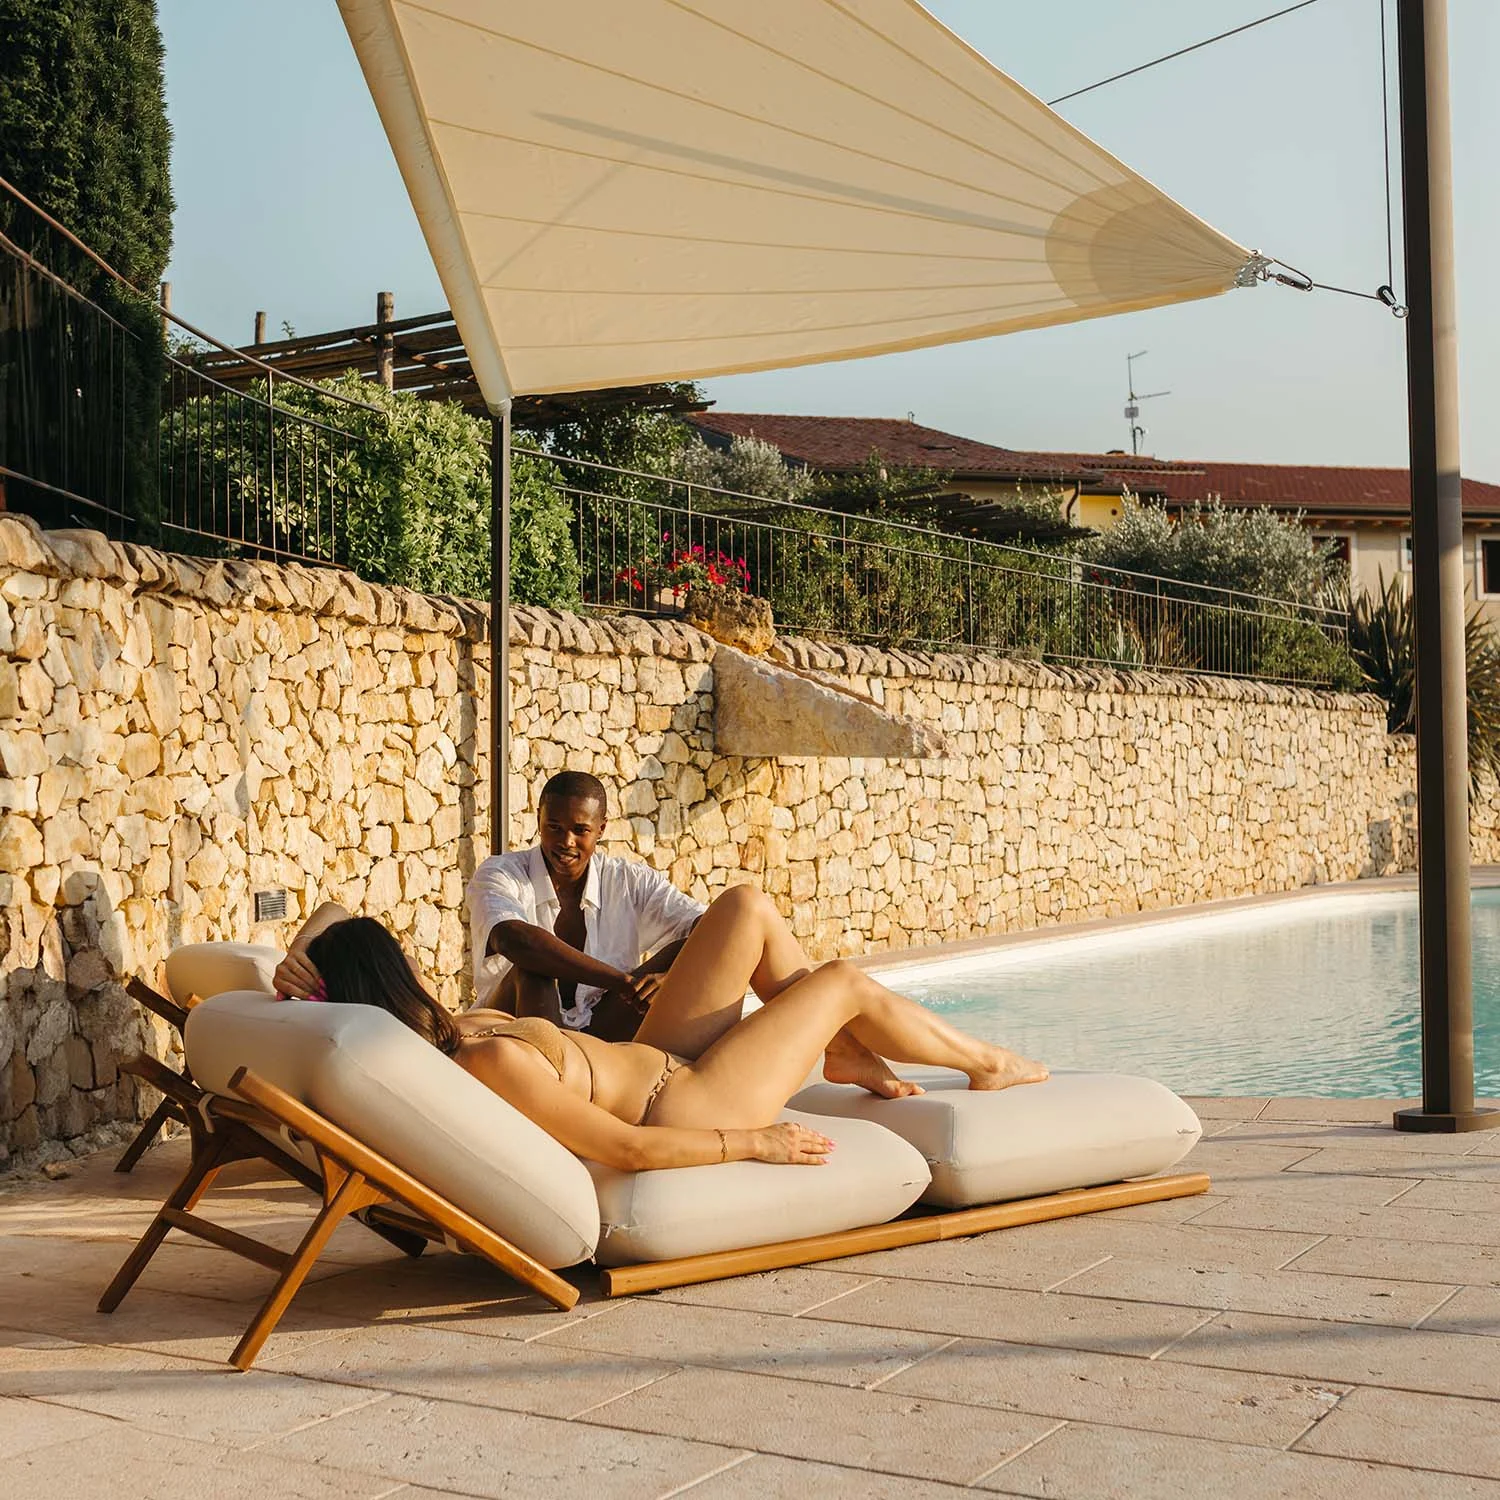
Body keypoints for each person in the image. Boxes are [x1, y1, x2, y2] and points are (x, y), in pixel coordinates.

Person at [271, 884, 1049, 1171]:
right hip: (685, 1104)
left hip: (653, 1058)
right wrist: (754, 1142)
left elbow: (335, 912)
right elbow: (628, 1150)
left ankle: (844, 1054)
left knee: (744, 908)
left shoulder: (454, 1031)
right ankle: (987, 1063)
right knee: (839, 981)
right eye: (400, 961)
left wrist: (293, 961)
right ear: (391, 981)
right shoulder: (481, 1065)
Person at [466, 771, 705, 1042]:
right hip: (510, 1032)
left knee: (698, 941)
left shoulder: (631, 881)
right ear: (539, 820)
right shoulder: (502, 872)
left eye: (580, 831)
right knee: (532, 968)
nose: (566, 841)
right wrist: (620, 982)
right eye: (554, 827)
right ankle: (554, 1065)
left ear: (601, 829)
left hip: (601, 1029)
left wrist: (671, 978)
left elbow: (712, 927)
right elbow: (512, 939)